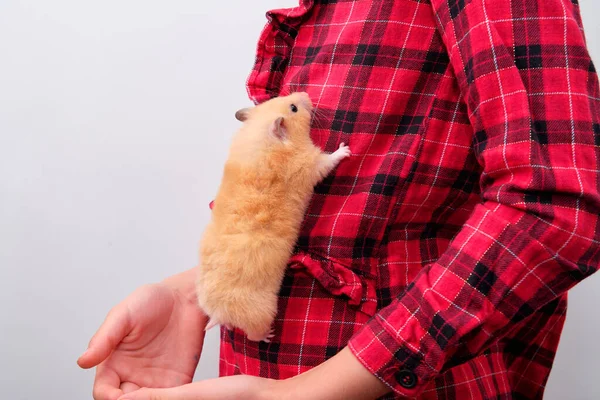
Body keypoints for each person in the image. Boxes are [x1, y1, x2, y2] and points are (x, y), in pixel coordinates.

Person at [77, 0, 600, 399]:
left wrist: (305, 393)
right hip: (263, 364)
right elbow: (340, 212)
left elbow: (556, 207)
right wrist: (198, 295)